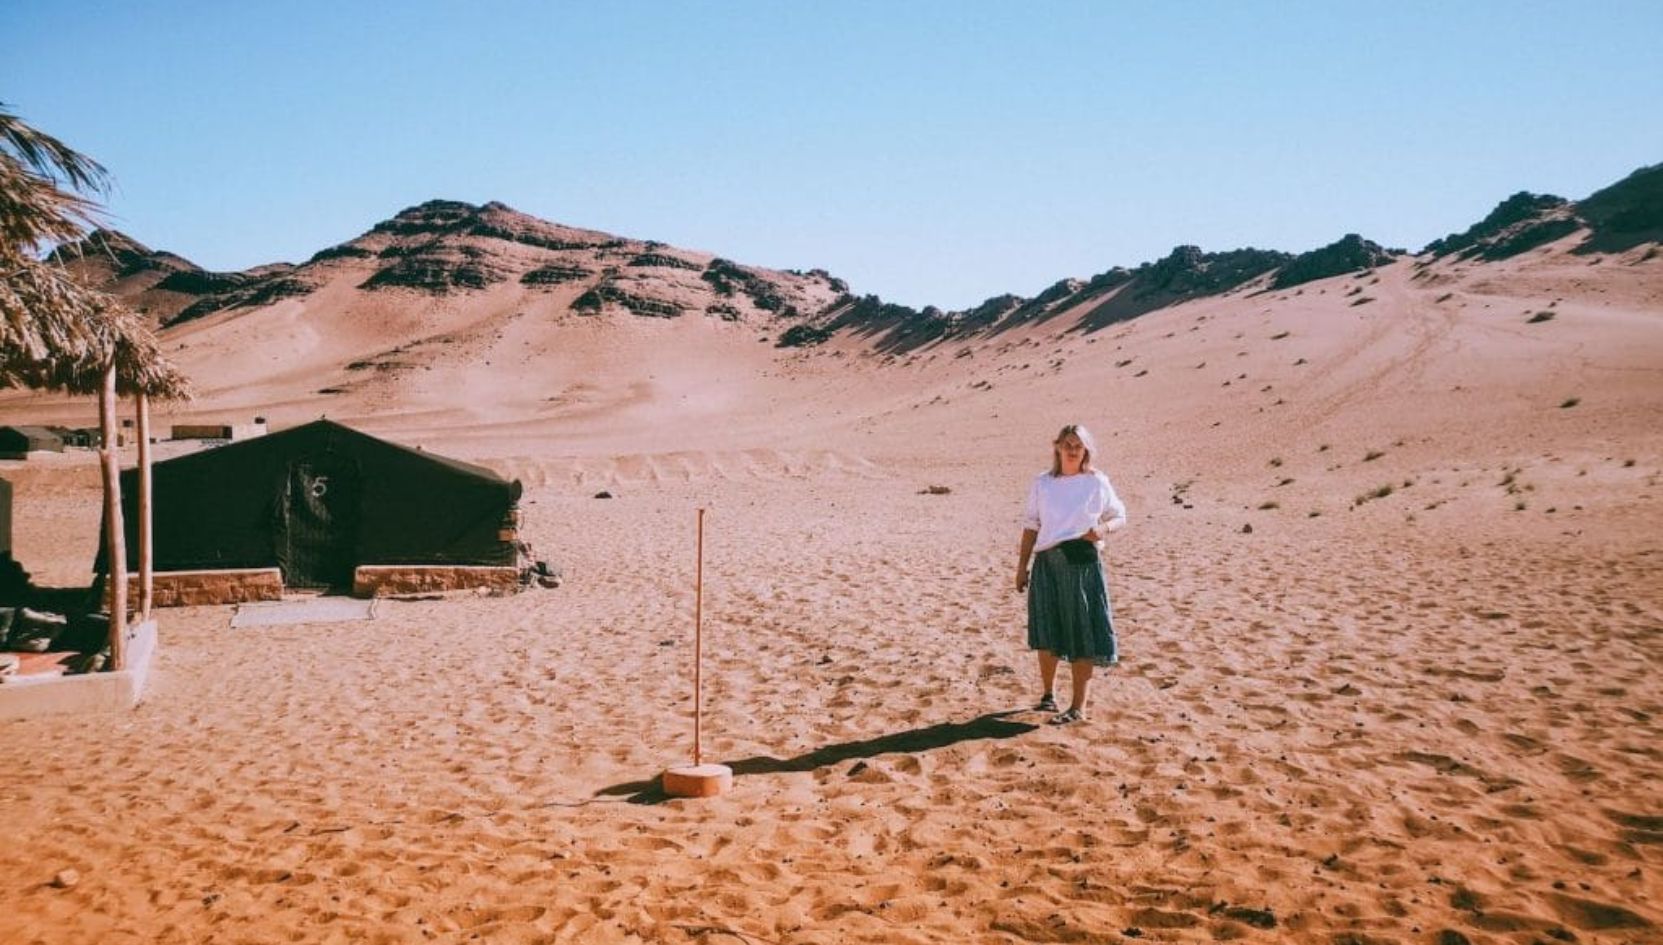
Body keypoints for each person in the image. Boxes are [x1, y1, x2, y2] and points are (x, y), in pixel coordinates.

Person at [1015, 424, 1126, 724]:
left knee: (1082, 632)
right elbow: (1031, 526)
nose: (1073, 450)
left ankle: (1078, 707)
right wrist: (1021, 567)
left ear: (1086, 449)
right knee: (1046, 629)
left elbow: (1119, 516)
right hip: (1047, 563)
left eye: (1078, 445)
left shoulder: (1096, 482)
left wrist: (1102, 529)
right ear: (1058, 447)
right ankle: (1048, 696)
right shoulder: (1043, 483)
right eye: (1068, 444)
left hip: (1082, 563)